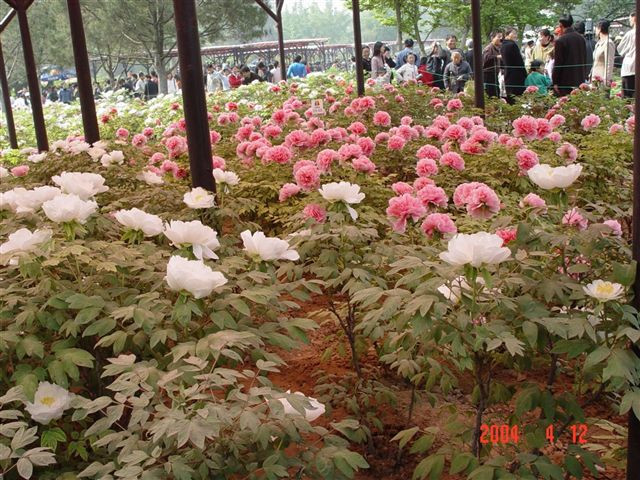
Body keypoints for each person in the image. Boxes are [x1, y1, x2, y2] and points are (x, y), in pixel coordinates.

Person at [552, 14, 587, 96]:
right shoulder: (581, 39)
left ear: (560, 25)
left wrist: (555, 82)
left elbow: (558, 63)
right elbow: (584, 59)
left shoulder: (561, 41)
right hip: (579, 79)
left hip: (565, 81)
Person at [501, 27, 527, 102]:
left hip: (508, 74)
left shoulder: (503, 45)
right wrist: (525, 73)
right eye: (514, 33)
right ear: (507, 34)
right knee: (518, 98)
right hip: (516, 75)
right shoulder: (512, 45)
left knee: (510, 97)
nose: (516, 35)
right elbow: (519, 61)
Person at [590, 19, 616, 86]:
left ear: (599, 29)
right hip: (595, 80)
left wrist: (606, 82)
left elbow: (609, 64)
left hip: (602, 82)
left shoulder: (608, 43)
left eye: (596, 28)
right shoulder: (598, 43)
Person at [618, 12, 636, 98]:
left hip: (629, 68)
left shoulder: (630, 34)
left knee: (627, 98)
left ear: (634, 18)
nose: (630, 21)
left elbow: (620, 49)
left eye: (630, 19)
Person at [482, 30, 503, 98]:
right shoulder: (489, 48)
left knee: (496, 93)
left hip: (495, 74)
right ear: (492, 38)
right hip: (488, 75)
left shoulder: (498, 48)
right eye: (499, 37)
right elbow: (485, 59)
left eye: (502, 37)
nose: (501, 38)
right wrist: (497, 56)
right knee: (491, 94)